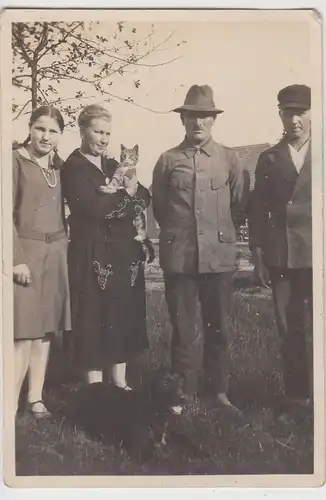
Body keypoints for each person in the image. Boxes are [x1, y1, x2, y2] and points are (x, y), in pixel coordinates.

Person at [152, 85, 248, 414]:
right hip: (180, 257)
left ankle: (219, 391)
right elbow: (162, 209)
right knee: (182, 327)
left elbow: (238, 207)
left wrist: (218, 236)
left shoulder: (230, 159)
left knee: (218, 326)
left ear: (213, 120)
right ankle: (182, 393)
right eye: (192, 116)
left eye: (204, 117)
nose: (198, 123)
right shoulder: (167, 160)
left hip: (218, 258)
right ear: (183, 120)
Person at [61, 104, 150, 390]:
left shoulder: (113, 164)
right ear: (82, 130)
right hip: (93, 253)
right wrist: (129, 197)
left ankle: (120, 383)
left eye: (107, 133)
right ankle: (95, 389)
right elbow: (94, 208)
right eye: (97, 131)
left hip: (123, 253)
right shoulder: (73, 168)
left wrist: (132, 194)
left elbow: (145, 196)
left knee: (120, 314)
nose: (103, 139)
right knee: (93, 316)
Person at [249, 84, 312, 420]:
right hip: (283, 256)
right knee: (290, 327)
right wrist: (257, 255)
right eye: (288, 112)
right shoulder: (270, 158)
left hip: (318, 255)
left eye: (301, 112)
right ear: (280, 115)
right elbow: (258, 210)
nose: (295, 119)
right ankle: (298, 397)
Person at [13, 105, 71, 419]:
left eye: (53, 131)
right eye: (40, 128)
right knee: (23, 331)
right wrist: (16, 260)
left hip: (56, 252)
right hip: (25, 254)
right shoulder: (13, 161)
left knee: (45, 330)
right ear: (30, 128)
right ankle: (9, 401)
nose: (45, 136)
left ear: (60, 135)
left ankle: (35, 398)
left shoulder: (59, 166)